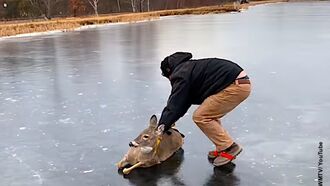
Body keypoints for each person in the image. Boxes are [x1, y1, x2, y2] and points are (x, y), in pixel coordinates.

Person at [157, 52, 251, 166]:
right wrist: (169, 121)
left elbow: (176, 103)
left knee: (201, 116)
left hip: (234, 86)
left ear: (169, 71)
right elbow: (183, 101)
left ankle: (230, 147)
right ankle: (223, 146)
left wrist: (162, 126)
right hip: (239, 83)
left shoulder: (181, 73)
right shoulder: (189, 68)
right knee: (209, 114)